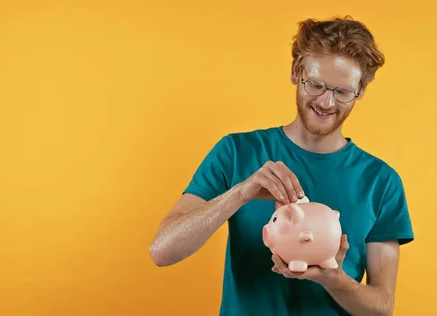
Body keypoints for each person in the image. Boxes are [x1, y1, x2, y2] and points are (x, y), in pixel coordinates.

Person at [150, 15, 414, 316]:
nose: (326, 103)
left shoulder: (381, 182)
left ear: (361, 91)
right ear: (295, 72)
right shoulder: (237, 152)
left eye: (342, 92)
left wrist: (334, 279)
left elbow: (382, 308)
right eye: (315, 85)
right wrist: (240, 193)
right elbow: (162, 251)